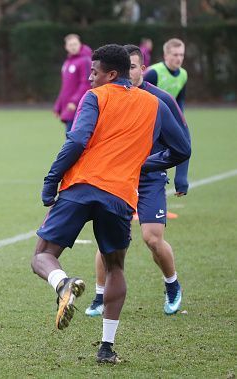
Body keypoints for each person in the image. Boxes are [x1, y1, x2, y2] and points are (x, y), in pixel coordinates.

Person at [31, 44, 190, 364]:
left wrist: (51, 180)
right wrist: (148, 165)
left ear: (111, 75)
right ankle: (106, 347)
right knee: (115, 267)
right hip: (120, 196)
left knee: (43, 256)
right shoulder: (155, 104)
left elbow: (76, 140)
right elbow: (182, 149)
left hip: (80, 188)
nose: (90, 78)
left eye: (95, 72)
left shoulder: (96, 97)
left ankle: (63, 284)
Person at [85, 45, 191, 318]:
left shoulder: (160, 99)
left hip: (149, 179)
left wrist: (180, 174)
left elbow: (182, 139)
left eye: (133, 67)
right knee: (106, 241)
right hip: (119, 177)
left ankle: (172, 284)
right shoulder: (111, 97)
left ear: (143, 69)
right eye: (125, 67)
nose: (128, 72)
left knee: (152, 239)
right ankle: (99, 296)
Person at [53, 34, 92, 133]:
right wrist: (58, 105)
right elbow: (65, 87)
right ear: (66, 47)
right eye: (70, 45)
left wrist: (74, 101)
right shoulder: (67, 62)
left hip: (79, 107)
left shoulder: (85, 61)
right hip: (68, 108)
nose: (73, 47)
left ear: (80, 44)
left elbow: (86, 84)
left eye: (75, 44)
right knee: (70, 138)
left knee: (75, 139)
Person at [144, 38, 187, 111]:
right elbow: (142, 99)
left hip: (167, 115)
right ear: (165, 56)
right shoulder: (153, 73)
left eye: (181, 55)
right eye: (175, 55)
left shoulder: (183, 74)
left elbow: (180, 100)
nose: (179, 58)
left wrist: (180, 119)